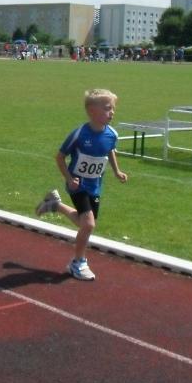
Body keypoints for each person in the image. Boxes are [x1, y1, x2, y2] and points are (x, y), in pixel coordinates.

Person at [35, 89, 128, 281]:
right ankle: (78, 262)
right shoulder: (79, 134)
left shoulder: (112, 134)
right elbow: (60, 157)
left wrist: (117, 171)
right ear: (92, 111)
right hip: (77, 185)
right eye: (107, 108)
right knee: (89, 224)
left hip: (95, 186)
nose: (112, 112)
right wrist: (70, 179)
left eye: (113, 108)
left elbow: (110, 150)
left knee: (83, 222)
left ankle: (55, 205)